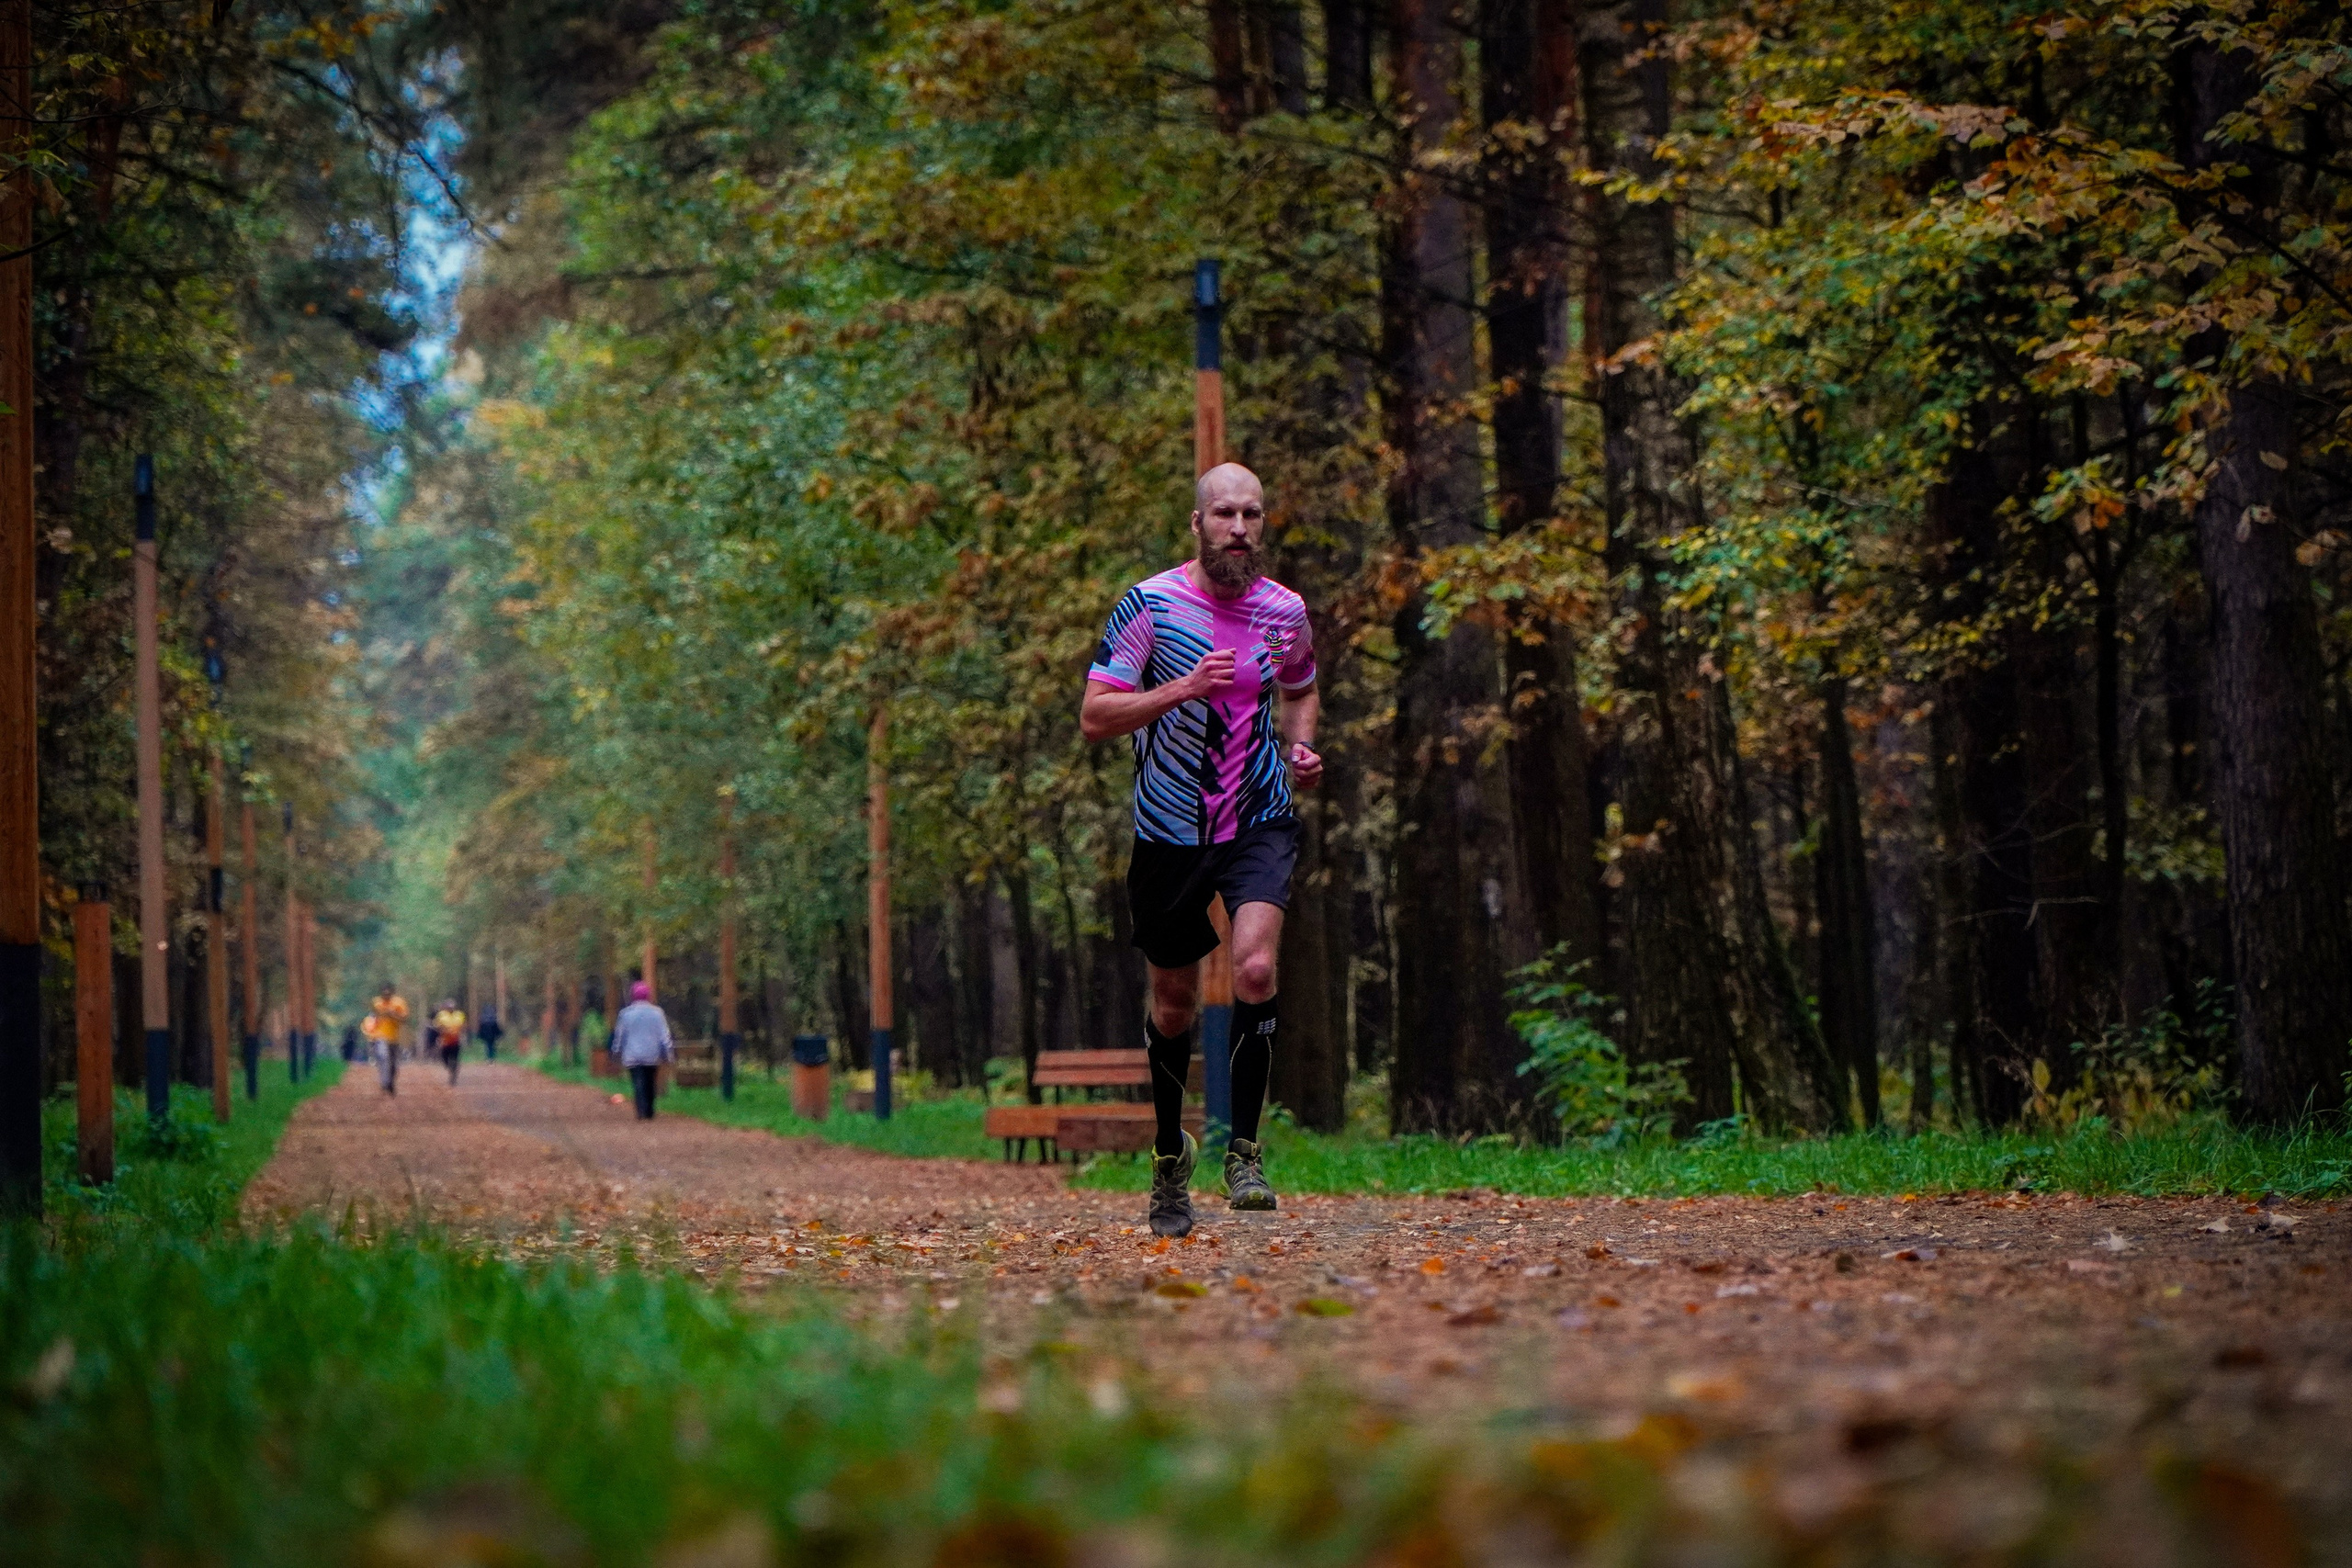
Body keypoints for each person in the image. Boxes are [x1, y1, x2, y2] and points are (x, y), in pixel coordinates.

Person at [1080, 462, 1321, 1238]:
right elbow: (1096, 714)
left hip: (1258, 815)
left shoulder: (1284, 610)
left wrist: (1302, 746)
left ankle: (1245, 1152)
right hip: (1169, 828)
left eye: (1252, 514)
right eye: (1225, 514)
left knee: (1254, 967)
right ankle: (1167, 1155)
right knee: (1174, 1003)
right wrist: (1180, 689)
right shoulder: (1148, 606)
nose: (1240, 529)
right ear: (1198, 523)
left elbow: (1301, 685)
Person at [611, 980, 674, 1120]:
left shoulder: (626, 1014)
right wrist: (668, 1054)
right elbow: (664, 1036)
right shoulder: (657, 1013)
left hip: (632, 1055)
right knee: (650, 1081)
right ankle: (650, 1110)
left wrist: (616, 1051)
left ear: (633, 996)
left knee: (637, 1081)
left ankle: (641, 1109)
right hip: (652, 1055)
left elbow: (620, 1035)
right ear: (648, 996)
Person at [364, 984, 409, 1097]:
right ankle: (384, 1081)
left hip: (394, 1037)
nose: (386, 996)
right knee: (383, 1057)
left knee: (393, 1063)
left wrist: (393, 1015)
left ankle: (390, 1083)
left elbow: (404, 1019)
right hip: (380, 1036)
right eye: (384, 994)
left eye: (388, 994)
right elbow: (372, 1018)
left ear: (392, 994)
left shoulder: (399, 1003)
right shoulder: (376, 1003)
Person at [432, 998, 467, 1085]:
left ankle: (454, 1073)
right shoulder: (441, 1015)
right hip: (445, 1041)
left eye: (452, 1007)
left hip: (456, 1040)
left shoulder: (459, 1015)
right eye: (449, 1007)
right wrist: (442, 1030)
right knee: (444, 1058)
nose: (451, 1008)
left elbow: (464, 1026)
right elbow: (436, 1026)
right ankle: (449, 1066)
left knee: (455, 1058)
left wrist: (462, 1033)